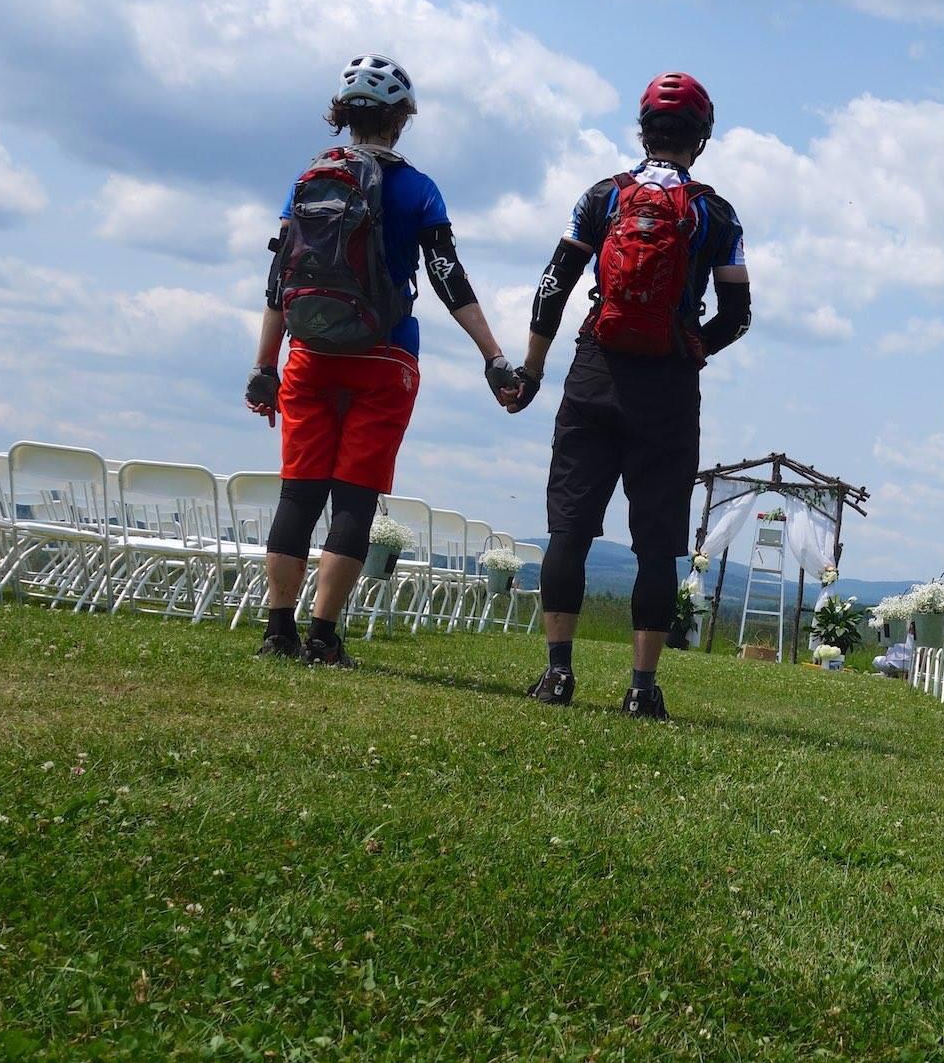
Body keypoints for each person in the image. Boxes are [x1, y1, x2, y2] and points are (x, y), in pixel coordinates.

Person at [245, 53, 518, 666]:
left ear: (344, 117)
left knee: (298, 495)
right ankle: (323, 635)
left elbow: (278, 283)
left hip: (308, 356)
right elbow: (449, 277)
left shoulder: (308, 180)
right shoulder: (419, 190)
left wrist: (265, 366)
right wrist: (493, 355)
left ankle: (277, 630)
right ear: (400, 121)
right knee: (354, 499)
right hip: (385, 359)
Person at [496, 71, 751, 719]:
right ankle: (641, 686)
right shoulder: (713, 213)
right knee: (656, 540)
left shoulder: (603, 198)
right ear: (702, 139)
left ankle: (558, 674)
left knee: (570, 529)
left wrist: (531, 368)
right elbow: (737, 313)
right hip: (666, 384)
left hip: (594, 371)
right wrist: (694, 347)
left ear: (643, 132)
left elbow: (554, 283)